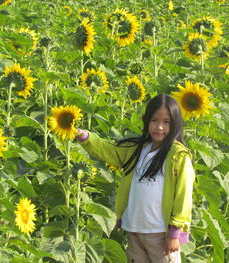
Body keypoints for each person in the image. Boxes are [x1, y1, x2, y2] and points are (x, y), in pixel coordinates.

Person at [75, 94, 195, 263]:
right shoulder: (138, 150)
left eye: (166, 122)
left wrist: (175, 232)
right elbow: (110, 151)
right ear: (146, 120)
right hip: (135, 230)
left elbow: (183, 196)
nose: (159, 127)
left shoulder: (177, 155)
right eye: (154, 120)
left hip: (161, 233)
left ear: (175, 124)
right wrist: (86, 138)